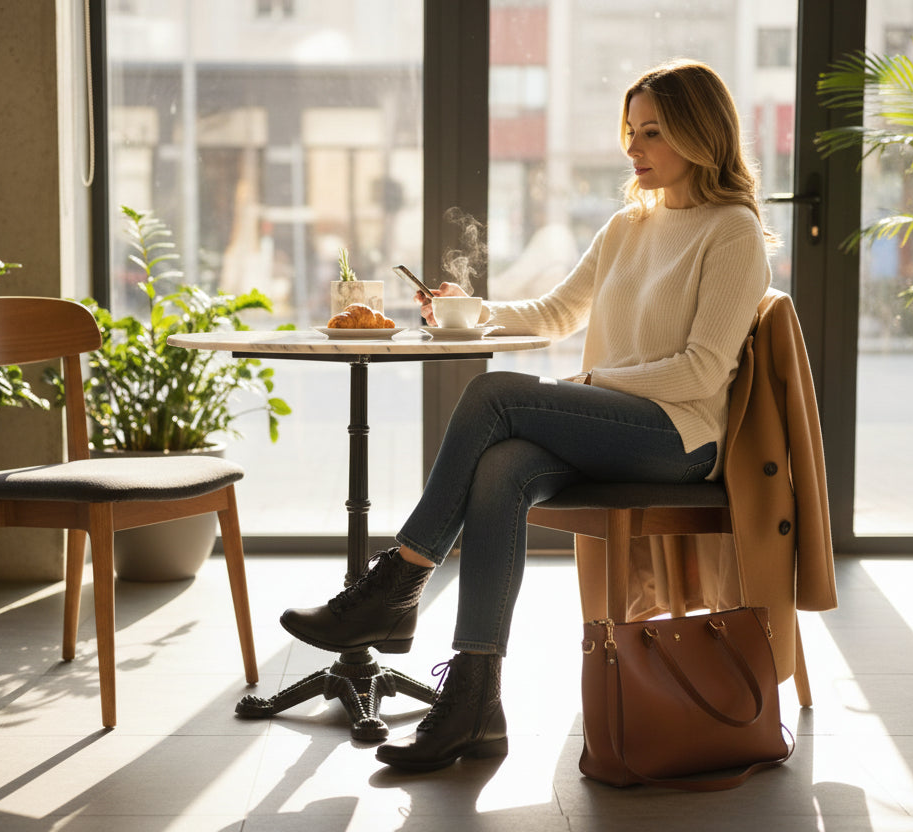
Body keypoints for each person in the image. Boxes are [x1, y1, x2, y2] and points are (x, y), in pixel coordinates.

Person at [281, 58, 774, 772]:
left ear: (701, 134)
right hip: (614, 423)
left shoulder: (731, 231)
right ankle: (476, 702)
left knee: (496, 395)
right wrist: (472, 309)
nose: (633, 148)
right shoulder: (629, 224)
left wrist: (591, 382)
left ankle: (397, 581)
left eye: (652, 133)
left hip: (679, 437)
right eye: (630, 131)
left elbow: (702, 371)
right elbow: (553, 314)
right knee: (503, 467)